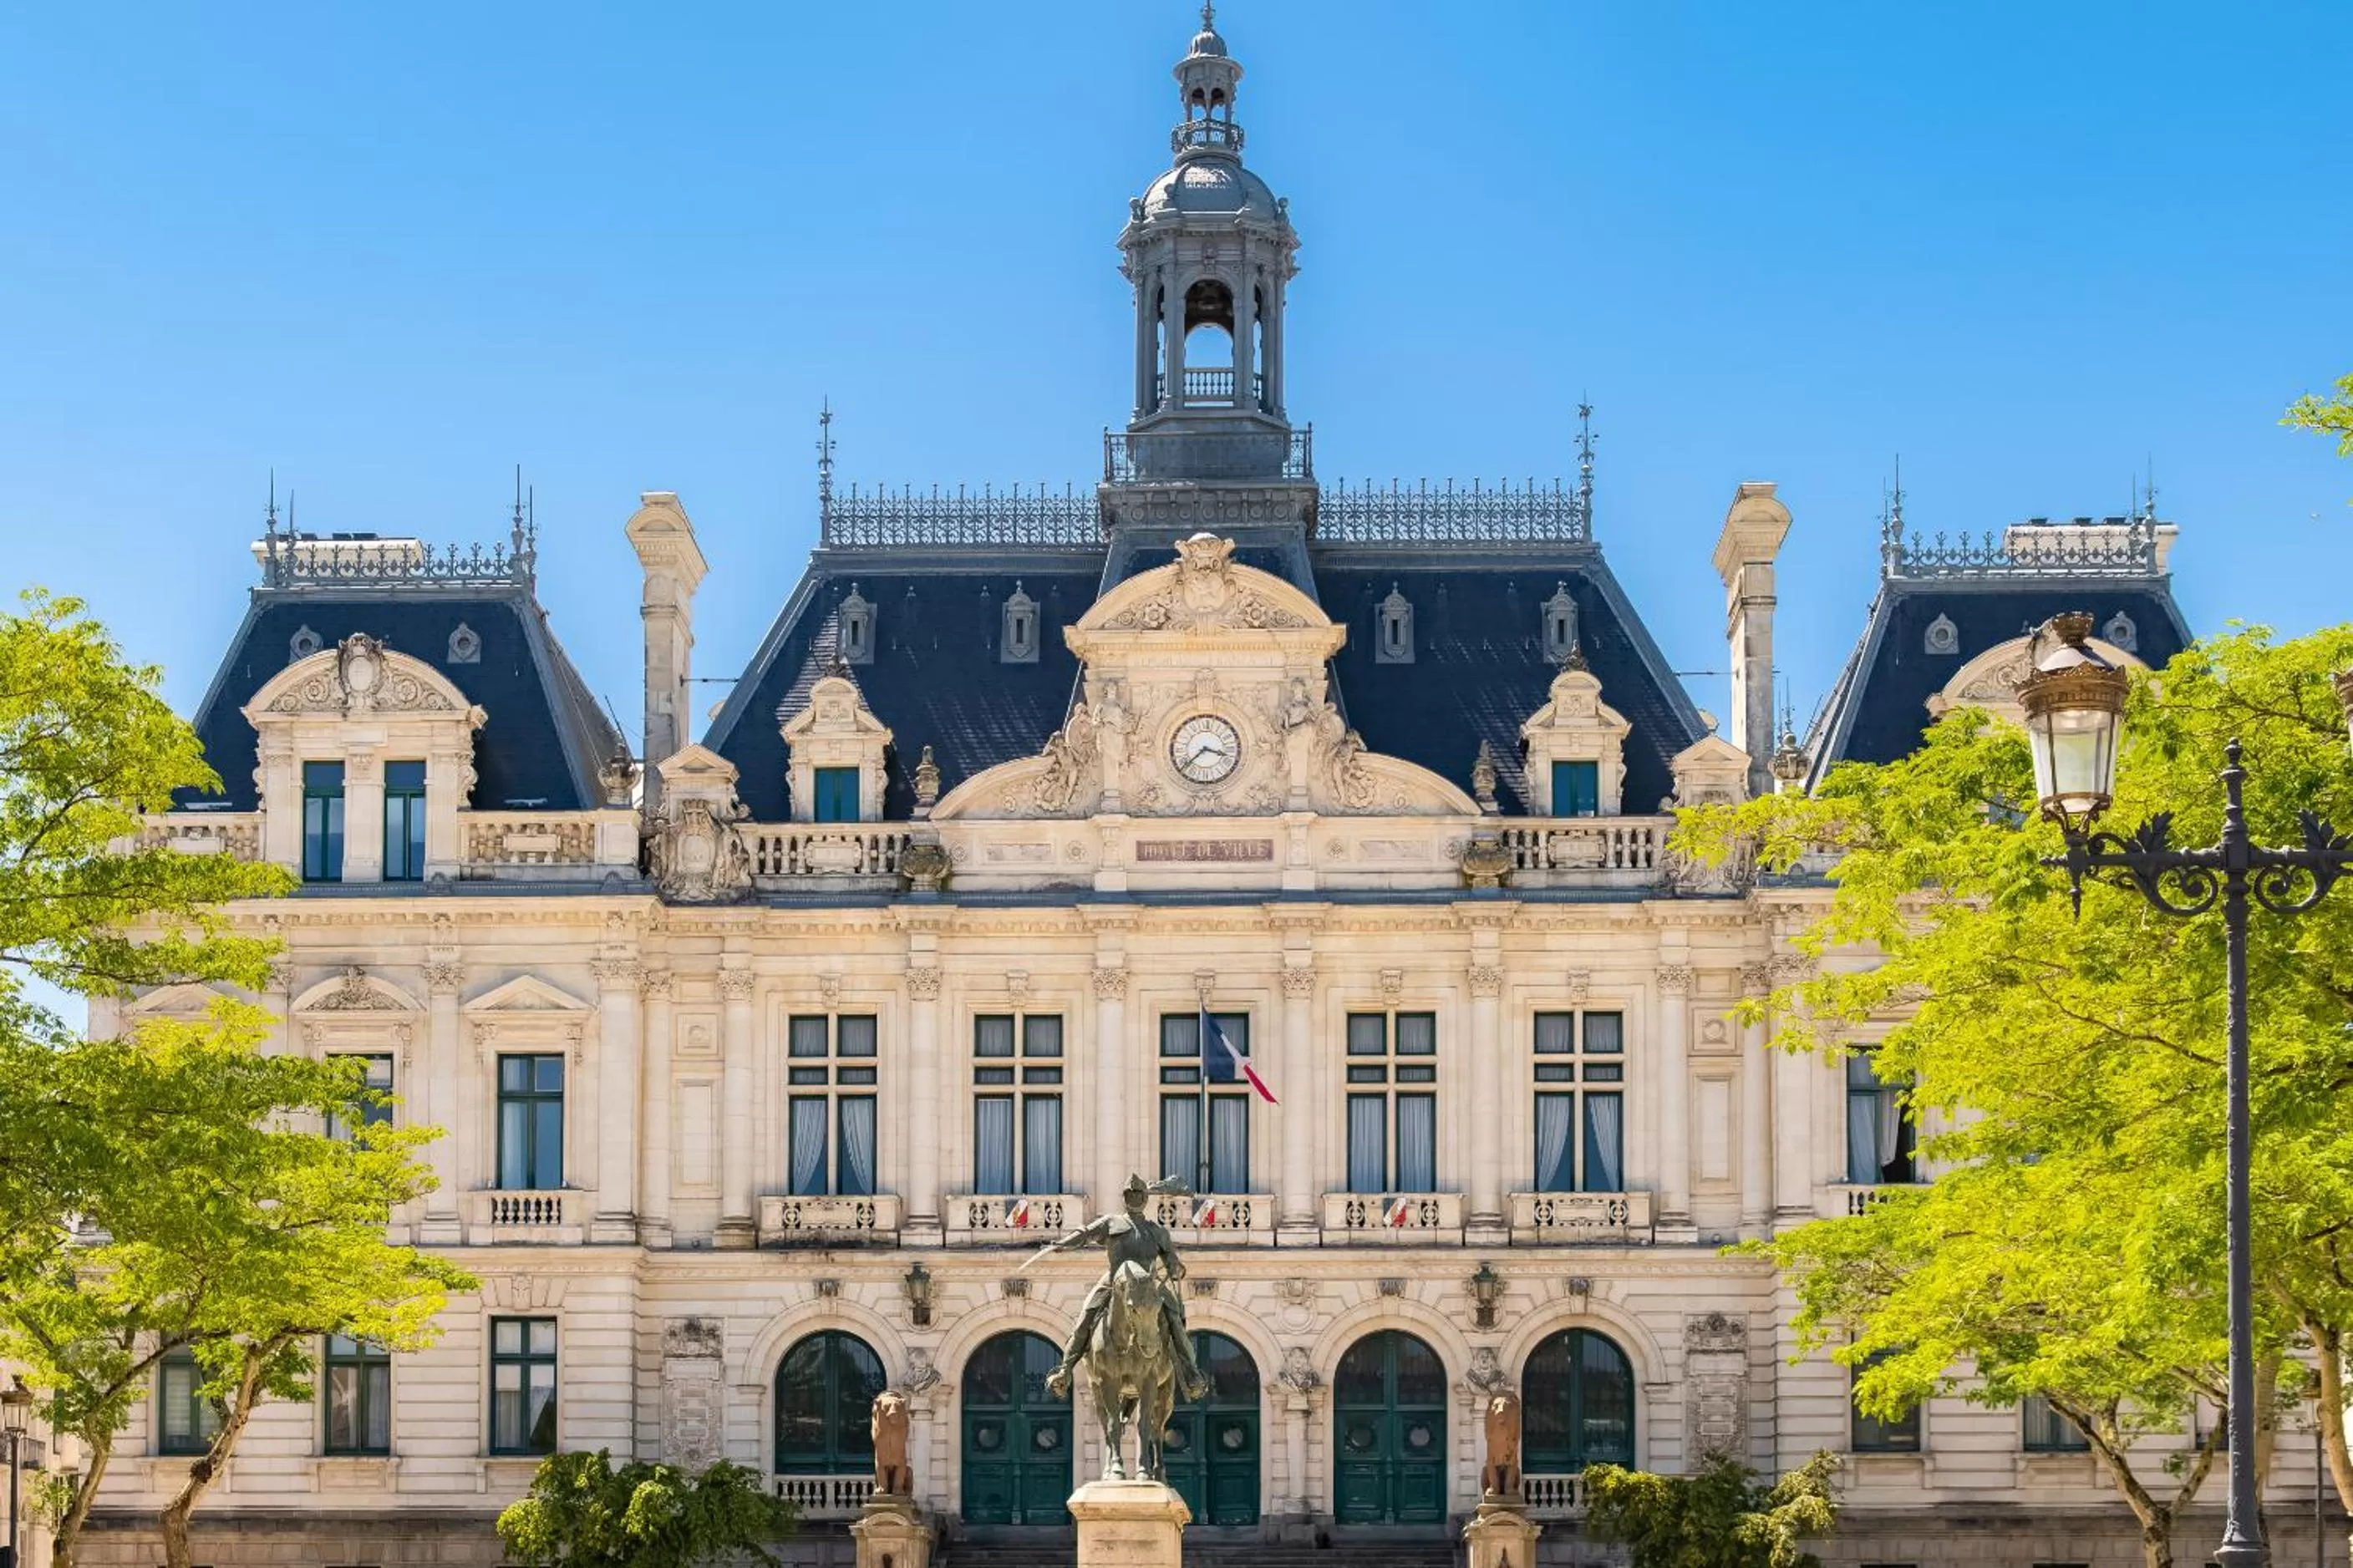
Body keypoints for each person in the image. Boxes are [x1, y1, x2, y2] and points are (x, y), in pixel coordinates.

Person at [1042, 1174, 1209, 1403]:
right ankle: (1065, 1369)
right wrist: (1062, 1244)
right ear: (1125, 1198)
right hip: (1113, 1283)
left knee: (1174, 1319)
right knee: (1085, 1316)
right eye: (1131, 1194)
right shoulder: (1111, 1223)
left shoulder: (1157, 1232)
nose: (1135, 1198)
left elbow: (1172, 1260)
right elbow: (1084, 1234)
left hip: (1150, 1288)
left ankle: (1191, 1372)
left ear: (1144, 1199)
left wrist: (1175, 1268)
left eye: (1138, 1194)